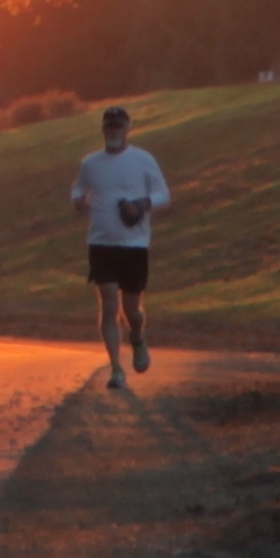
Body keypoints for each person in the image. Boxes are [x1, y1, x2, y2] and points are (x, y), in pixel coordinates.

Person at [71, 105, 169, 390]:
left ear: (127, 129)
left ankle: (137, 337)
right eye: (109, 127)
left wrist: (141, 205)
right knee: (109, 304)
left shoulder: (143, 160)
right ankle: (116, 368)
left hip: (135, 243)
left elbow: (163, 193)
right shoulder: (91, 163)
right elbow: (78, 189)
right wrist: (78, 200)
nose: (113, 132)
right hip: (101, 242)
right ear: (103, 130)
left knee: (133, 310)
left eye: (118, 127)